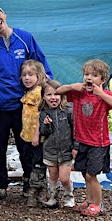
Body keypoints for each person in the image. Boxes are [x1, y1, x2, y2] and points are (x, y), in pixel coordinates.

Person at [0, 3, 53, 199]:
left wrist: (49, 88)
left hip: (24, 104)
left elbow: (41, 64)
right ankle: (0, 184)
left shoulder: (25, 38)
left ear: (4, 14)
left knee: (25, 144)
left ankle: (29, 182)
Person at [55, 59, 112, 217]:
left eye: (94, 75)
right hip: (82, 141)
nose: (89, 78)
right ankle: (89, 201)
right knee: (85, 173)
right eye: (86, 74)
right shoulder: (79, 92)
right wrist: (72, 86)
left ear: (103, 80)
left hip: (98, 143)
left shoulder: (104, 96)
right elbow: (58, 91)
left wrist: (101, 93)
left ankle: (98, 204)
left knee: (92, 175)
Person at [39, 79, 75, 208]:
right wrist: (46, 125)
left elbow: (75, 130)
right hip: (50, 151)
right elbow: (43, 132)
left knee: (64, 178)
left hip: (66, 151)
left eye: (56, 94)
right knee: (53, 177)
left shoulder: (68, 111)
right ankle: (53, 197)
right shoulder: (43, 113)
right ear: (44, 97)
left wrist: (75, 147)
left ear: (62, 96)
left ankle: (69, 195)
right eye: (49, 94)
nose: (53, 97)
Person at [18, 60, 47, 207]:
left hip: (37, 136)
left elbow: (40, 115)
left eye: (31, 75)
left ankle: (39, 189)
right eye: (24, 75)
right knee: (26, 159)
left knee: (38, 162)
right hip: (26, 134)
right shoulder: (27, 92)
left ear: (39, 76)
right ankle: (29, 183)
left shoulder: (39, 93)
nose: (27, 78)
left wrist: (38, 134)